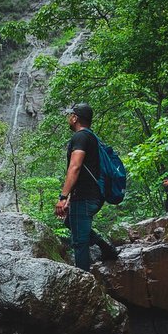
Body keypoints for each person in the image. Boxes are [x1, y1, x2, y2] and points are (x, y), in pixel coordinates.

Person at [54, 103, 118, 270]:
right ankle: (105, 247)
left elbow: (75, 167)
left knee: (79, 243)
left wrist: (63, 197)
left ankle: (83, 283)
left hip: (85, 196)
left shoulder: (80, 137)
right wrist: (70, 197)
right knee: (71, 222)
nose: (69, 118)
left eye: (70, 115)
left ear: (75, 118)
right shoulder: (91, 137)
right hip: (93, 195)